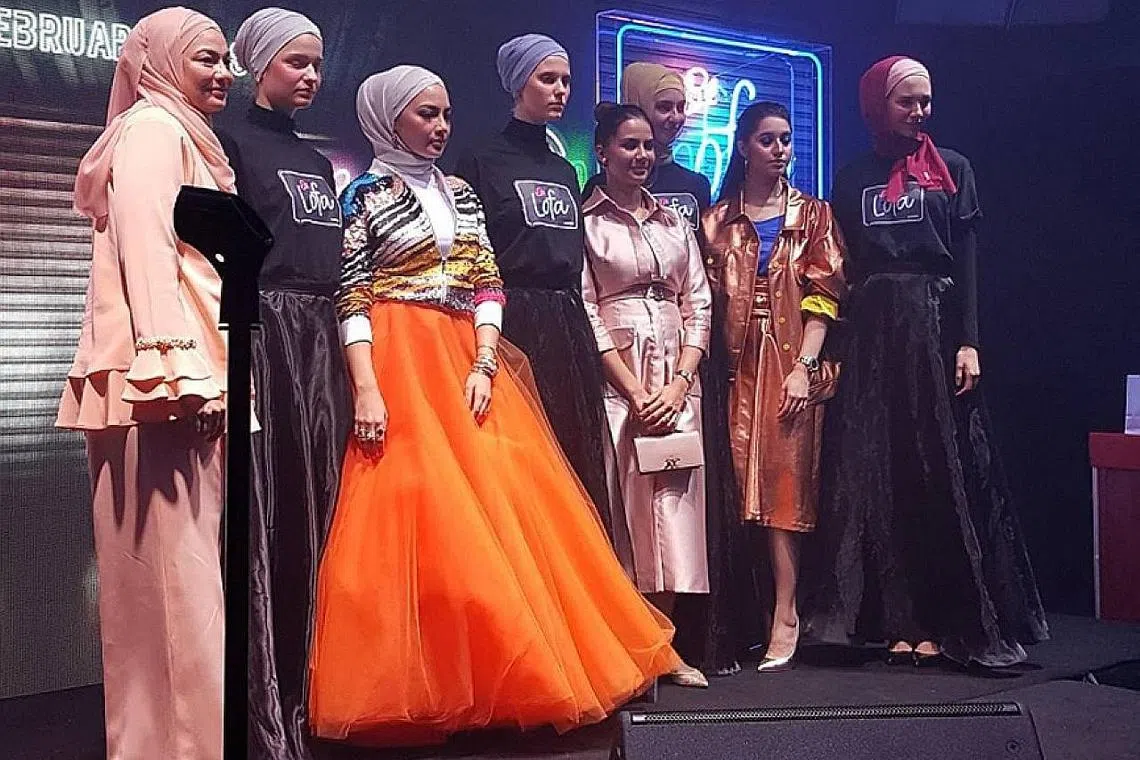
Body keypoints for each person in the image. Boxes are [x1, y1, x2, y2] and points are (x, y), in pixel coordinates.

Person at [307, 66, 679, 747]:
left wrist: (484, 361)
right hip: (398, 356)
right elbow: (352, 290)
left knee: (508, 508)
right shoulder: (363, 193)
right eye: (426, 114)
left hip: (465, 358)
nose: (440, 127)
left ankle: (514, 674)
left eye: (446, 114)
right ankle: (427, 681)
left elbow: (486, 278)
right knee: (417, 511)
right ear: (390, 118)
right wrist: (366, 385)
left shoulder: (461, 193)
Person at [804, 56, 1049, 667]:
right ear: (877, 106)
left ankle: (946, 618)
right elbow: (843, 268)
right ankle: (893, 620)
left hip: (934, 328)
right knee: (877, 474)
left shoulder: (952, 169)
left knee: (938, 474)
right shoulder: (851, 177)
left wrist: (969, 341)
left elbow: (966, 261)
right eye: (907, 101)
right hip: (873, 337)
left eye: (926, 101)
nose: (919, 112)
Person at [56, 8, 234, 759]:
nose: (224, 73)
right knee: (178, 590)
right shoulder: (156, 130)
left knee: (170, 586)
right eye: (206, 58)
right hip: (165, 384)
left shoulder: (174, 131)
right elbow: (147, 249)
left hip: (178, 374)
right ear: (160, 62)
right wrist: (180, 374)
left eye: (225, 58)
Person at [216, 9, 351, 759]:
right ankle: (267, 697)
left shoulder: (317, 159)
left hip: (321, 337)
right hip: (265, 332)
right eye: (297, 62)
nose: (310, 76)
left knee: (323, 503)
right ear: (260, 64)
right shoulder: (230, 143)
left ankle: (323, 687)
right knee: (270, 508)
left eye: (317, 64)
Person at [701, 102, 847, 672]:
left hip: (789, 361)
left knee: (787, 490)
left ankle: (787, 612)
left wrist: (804, 366)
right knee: (734, 491)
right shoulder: (716, 221)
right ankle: (743, 616)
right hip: (731, 367)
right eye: (767, 140)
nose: (780, 149)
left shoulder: (812, 215)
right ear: (743, 146)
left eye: (785, 139)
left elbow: (824, 296)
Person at [454, 34, 611, 533]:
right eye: (547, 79)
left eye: (566, 80)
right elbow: (469, 255)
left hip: (567, 320)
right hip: (512, 319)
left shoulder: (566, 170)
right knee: (518, 454)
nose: (560, 90)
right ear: (519, 83)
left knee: (573, 446)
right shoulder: (480, 161)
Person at [581, 102, 714, 688]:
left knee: (678, 515)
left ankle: (667, 649)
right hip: (622, 382)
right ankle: (631, 651)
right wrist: (634, 390)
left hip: (677, 379)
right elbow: (586, 308)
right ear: (602, 151)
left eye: (647, 146)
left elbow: (699, 302)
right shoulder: (587, 223)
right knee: (628, 513)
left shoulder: (673, 222)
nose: (641, 155)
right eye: (628, 145)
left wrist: (681, 381)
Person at [583, 62, 711, 229]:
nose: (676, 117)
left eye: (681, 108)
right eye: (664, 108)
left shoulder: (696, 185)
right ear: (638, 106)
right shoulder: (600, 187)